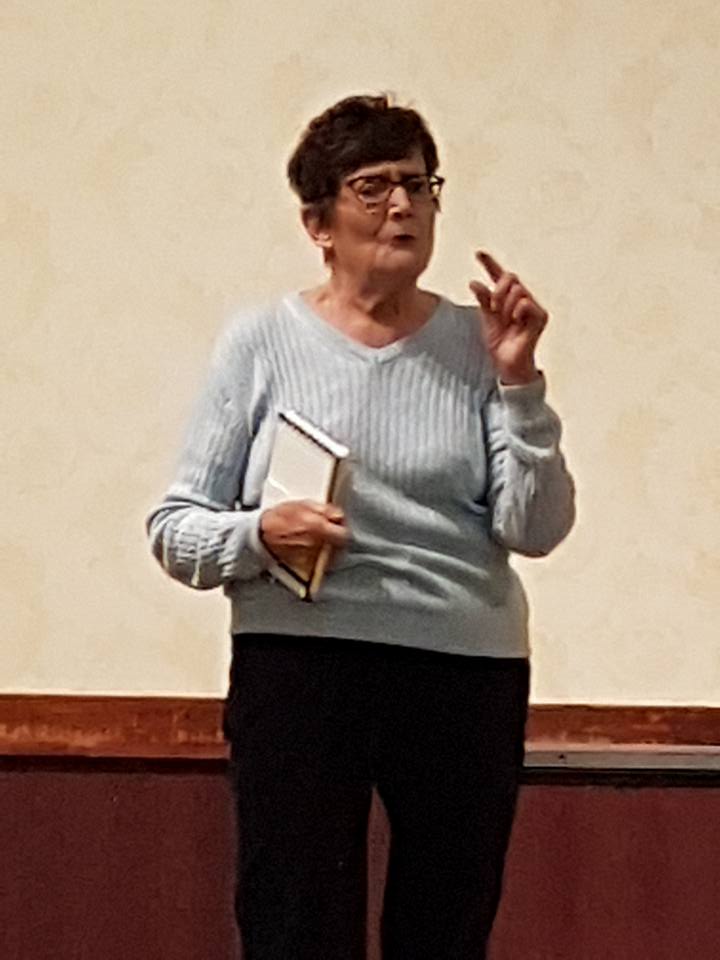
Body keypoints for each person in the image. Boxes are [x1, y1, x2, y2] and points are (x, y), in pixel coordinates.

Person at [146, 93, 575, 960]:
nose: (402, 206)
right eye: (372, 186)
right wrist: (260, 535)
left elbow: (534, 529)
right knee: (295, 922)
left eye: (419, 185)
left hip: (463, 667)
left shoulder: (479, 341)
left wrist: (520, 384)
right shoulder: (262, 341)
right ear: (318, 222)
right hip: (301, 662)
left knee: (446, 927)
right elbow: (174, 528)